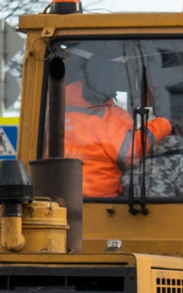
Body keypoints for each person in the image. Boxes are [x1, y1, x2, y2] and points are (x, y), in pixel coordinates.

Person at [62, 71, 172, 200]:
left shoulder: (56, 106)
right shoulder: (109, 116)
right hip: (97, 202)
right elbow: (131, 152)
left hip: (56, 199)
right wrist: (163, 124)